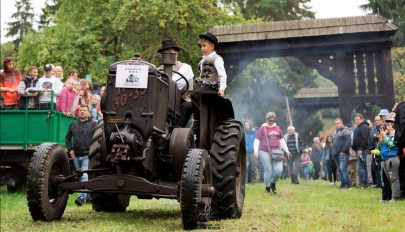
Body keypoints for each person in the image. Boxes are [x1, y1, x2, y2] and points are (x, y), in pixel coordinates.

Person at [191, 32, 227, 145]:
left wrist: (222, 88)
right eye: (201, 46)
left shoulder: (217, 59)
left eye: (204, 46)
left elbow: (223, 75)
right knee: (191, 96)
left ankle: (196, 121)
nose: (202, 48)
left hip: (212, 88)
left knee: (195, 95)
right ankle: (196, 119)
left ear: (212, 46)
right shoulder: (202, 60)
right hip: (203, 87)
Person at [157, 40, 194, 127]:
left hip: (182, 100)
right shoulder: (158, 69)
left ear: (177, 53)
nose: (167, 54)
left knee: (187, 106)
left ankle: (176, 131)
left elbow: (177, 85)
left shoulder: (185, 68)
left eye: (170, 52)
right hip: (163, 100)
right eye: (165, 52)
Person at [65, 104, 97, 206]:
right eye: (80, 110)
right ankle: (87, 196)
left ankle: (81, 198)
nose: (82, 112)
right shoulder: (73, 124)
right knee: (81, 176)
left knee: (84, 175)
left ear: (88, 112)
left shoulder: (94, 124)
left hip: (88, 155)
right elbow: (67, 138)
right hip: (76, 155)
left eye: (84, 110)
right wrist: (70, 150)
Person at [253, 112, 291, 194]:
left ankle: (272, 184)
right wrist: (256, 151)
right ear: (266, 119)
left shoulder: (277, 127)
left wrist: (287, 150)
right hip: (264, 151)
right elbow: (257, 141)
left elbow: (282, 140)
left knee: (278, 170)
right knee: (268, 170)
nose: (271, 122)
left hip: (277, 152)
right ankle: (267, 188)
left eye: (273, 120)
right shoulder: (262, 128)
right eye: (270, 120)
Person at [378, 117, 401, 201]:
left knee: (394, 179)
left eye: (392, 125)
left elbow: (391, 145)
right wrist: (380, 138)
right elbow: (379, 147)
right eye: (388, 125)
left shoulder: (396, 135)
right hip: (385, 160)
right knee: (389, 180)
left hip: (392, 159)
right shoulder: (386, 135)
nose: (390, 126)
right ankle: (392, 197)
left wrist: (384, 136)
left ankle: (396, 197)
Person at [331, 118, 352, 189]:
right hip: (335, 154)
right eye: (335, 124)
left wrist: (343, 151)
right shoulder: (335, 132)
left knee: (343, 169)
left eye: (338, 123)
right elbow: (333, 143)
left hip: (343, 154)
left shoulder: (345, 131)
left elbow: (348, 142)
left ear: (342, 123)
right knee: (340, 170)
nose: (336, 125)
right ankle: (343, 184)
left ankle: (347, 185)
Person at [351, 113, 370, 188]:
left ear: (362, 119)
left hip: (362, 150)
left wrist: (360, 149)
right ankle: (364, 183)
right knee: (362, 167)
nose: (356, 121)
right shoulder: (359, 127)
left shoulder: (364, 127)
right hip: (358, 149)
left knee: (361, 167)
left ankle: (363, 183)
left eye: (357, 119)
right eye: (355, 120)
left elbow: (365, 139)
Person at [393, 102, 405, 199]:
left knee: (403, 170)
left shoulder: (402, 106)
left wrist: (398, 140)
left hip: (403, 144)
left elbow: (401, 125)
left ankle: (403, 194)